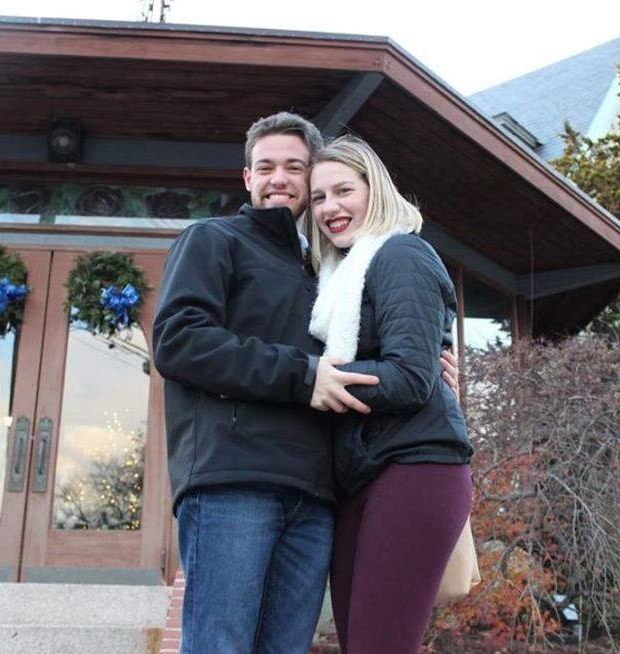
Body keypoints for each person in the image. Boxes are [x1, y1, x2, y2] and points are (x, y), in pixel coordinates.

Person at [152, 112, 460, 653]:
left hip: (317, 495)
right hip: (236, 482)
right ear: (247, 177)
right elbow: (179, 341)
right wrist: (304, 375)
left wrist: (429, 368)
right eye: (266, 166)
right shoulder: (213, 240)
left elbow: (387, 354)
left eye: (295, 168)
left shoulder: (331, 271)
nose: (279, 178)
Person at [307, 135, 474, 653]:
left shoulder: (400, 254)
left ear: (373, 190)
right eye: (318, 198)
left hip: (415, 467)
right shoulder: (334, 280)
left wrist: (311, 379)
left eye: (343, 191)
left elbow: (409, 377)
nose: (330, 208)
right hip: (363, 472)